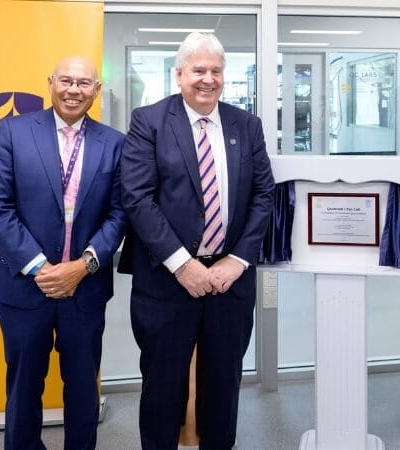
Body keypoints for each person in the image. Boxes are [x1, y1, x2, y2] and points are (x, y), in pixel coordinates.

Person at [119, 32, 274, 449]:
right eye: (198, 70)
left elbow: (263, 195)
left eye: (216, 71)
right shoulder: (149, 121)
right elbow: (137, 197)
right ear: (179, 74)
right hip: (166, 282)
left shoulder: (246, 124)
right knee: (162, 388)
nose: (208, 79)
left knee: (222, 387)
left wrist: (237, 260)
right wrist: (182, 264)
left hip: (229, 282)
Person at [0, 56, 126, 449]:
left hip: (85, 287)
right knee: (24, 386)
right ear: (50, 83)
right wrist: (42, 268)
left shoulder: (114, 143)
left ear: (96, 90)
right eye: (66, 81)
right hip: (25, 287)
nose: (74, 90)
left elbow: (121, 212)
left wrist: (84, 265)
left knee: (81, 386)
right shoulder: (13, 131)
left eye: (84, 83)